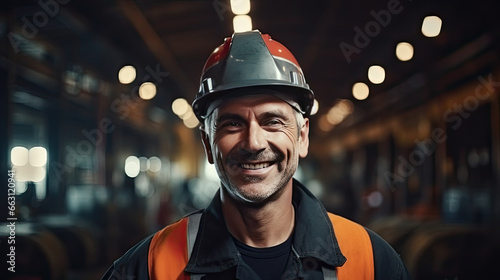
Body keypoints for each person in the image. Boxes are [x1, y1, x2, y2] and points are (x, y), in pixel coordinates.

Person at [101, 30, 409, 280]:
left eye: (272, 121)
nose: (253, 142)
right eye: (232, 123)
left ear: (302, 137)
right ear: (208, 145)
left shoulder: (371, 262)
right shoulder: (149, 267)